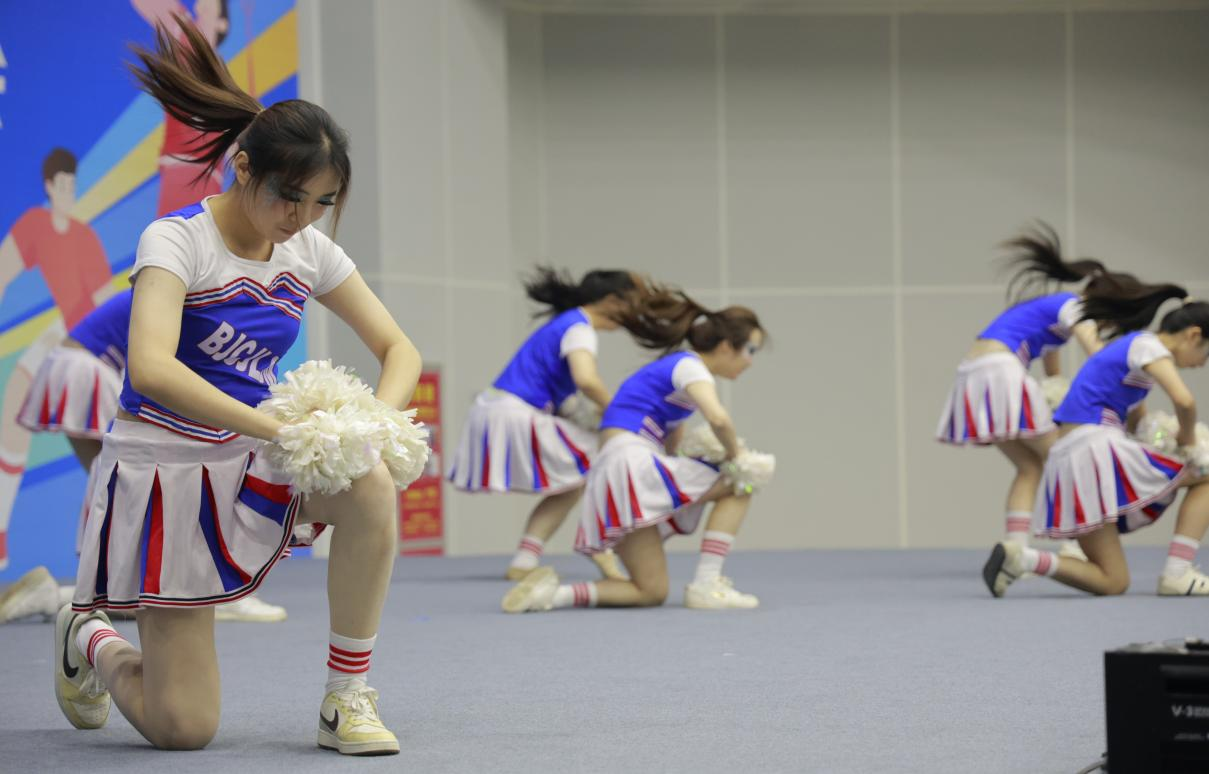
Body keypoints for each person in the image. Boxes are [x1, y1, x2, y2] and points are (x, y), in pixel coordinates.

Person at [52, 20, 420, 755]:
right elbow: (152, 368)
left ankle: (346, 698)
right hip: (167, 467)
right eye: (291, 197)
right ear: (243, 168)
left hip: (249, 454)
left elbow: (398, 348)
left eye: (322, 202)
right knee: (183, 728)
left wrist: (367, 427)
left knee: (369, 479)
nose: (302, 218)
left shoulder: (307, 249)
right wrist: (284, 430)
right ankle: (88, 636)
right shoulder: (176, 239)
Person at [0, 290, 287, 624]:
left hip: (72, 362)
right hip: (88, 367)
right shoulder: (186, 294)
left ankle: (60, 594)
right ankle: (208, 589)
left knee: (113, 478)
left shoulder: (178, 289)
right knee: (124, 474)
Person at [502, 287, 767, 612]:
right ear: (726, 346)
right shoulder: (691, 367)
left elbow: (673, 440)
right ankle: (707, 583)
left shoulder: (678, 372)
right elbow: (719, 419)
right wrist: (737, 457)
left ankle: (552, 595)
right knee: (741, 484)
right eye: (750, 350)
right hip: (631, 462)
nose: (750, 361)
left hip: (617, 472)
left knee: (650, 590)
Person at [983, 293, 1209, 598]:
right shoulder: (1150, 347)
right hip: (1094, 447)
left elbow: (1137, 423)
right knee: (1206, 473)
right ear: (1193, 335)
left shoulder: (1131, 351)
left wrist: (1161, 442)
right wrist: (1190, 444)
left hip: (1071, 458)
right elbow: (1185, 401)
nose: (1202, 364)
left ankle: (1023, 559)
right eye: (1206, 353)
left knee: (1113, 580)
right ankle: (1178, 572)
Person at [446, 267, 638, 582]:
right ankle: (600, 542)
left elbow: (567, 398)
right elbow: (587, 380)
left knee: (577, 479)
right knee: (604, 456)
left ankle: (526, 559)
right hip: (514, 412)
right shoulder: (580, 328)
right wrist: (620, 413)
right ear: (613, 301)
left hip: (499, 409)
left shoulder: (565, 323)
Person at [938, 223, 1112, 553]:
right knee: (1065, 458)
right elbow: (1099, 356)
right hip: (1000, 368)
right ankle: (1074, 544)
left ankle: (1014, 549)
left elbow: (1053, 373)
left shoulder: (1050, 314)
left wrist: (1058, 398)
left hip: (973, 373)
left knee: (1030, 466)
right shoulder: (1073, 306)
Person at [0, 148, 115, 569]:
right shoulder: (34, 225)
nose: (69, 193)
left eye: (73, 186)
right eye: (62, 186)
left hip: (93, 345)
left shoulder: (85, 238)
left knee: (112, 455)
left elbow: (106, 307)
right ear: (49, 187)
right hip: (64, 337)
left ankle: (113, 554)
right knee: (14, 406)